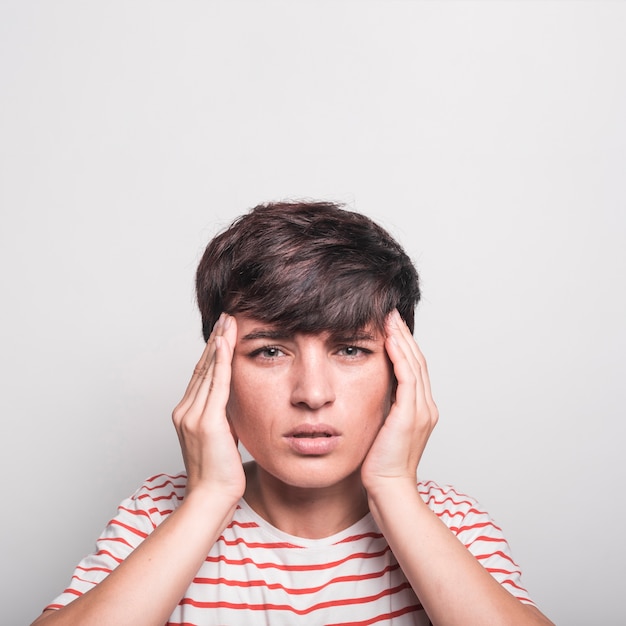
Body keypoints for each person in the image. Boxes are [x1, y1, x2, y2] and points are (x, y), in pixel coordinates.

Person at [32, 201, 553, 625]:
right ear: (217, 372)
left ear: (401, 370)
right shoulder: (155, 515)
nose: (312, 393)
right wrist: (209, 497)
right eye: (270, 352)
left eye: (350, 350)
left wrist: (395, 486)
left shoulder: (450, 521)